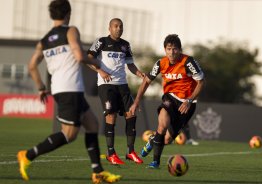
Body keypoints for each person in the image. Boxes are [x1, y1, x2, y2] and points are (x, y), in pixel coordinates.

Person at [17, 0, 121, 183]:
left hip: (63, 88)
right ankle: (27, 155)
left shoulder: (44, 41)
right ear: (68, 14)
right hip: (69, 88)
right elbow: (80, 56)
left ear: (52, 15)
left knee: (92, 125)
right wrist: (98, 63)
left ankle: (97, 172)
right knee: (69, 134)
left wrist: (41, 88)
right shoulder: (70, 30)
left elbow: (32, 65)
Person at [129, 34, 205, 168]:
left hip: (188, 103)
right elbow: (146, 81)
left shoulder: (188, 62)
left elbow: (201, 82)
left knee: (167, 139)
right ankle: (155, 163)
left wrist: (189, 100)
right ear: (165, 49)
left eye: (175, 49)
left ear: (180, 50)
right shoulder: (160, 63)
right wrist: (136, 102)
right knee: (162, 125)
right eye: (169, 49)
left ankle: (153, 141)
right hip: (170, 98)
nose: (172, 52)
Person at [87, 18, 144, 165]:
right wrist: (100, 71)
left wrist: (139, 74)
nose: (119, 28)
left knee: (131, 114)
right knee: (111, 116)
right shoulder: (101, 42)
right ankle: (111, 153)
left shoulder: (125, 45)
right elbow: (89, 59)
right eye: (116, 26)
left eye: (121, 26)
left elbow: (130, 64)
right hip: (107, 85)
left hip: (122, 85)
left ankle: (130, 152)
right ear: (110, 28)